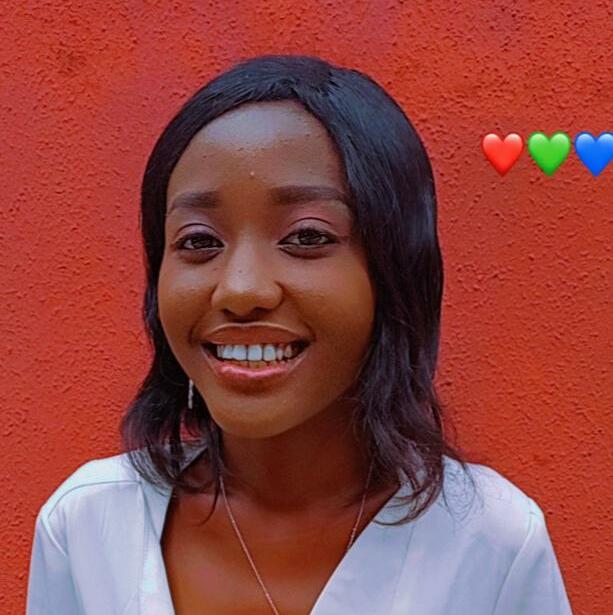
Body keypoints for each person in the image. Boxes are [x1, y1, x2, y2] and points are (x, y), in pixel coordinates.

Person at [26, 54, 574, 615]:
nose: (240, 289)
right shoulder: (87, 529)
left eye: (307, 237)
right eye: (198, 241)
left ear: (394, 271)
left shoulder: (491, 544)